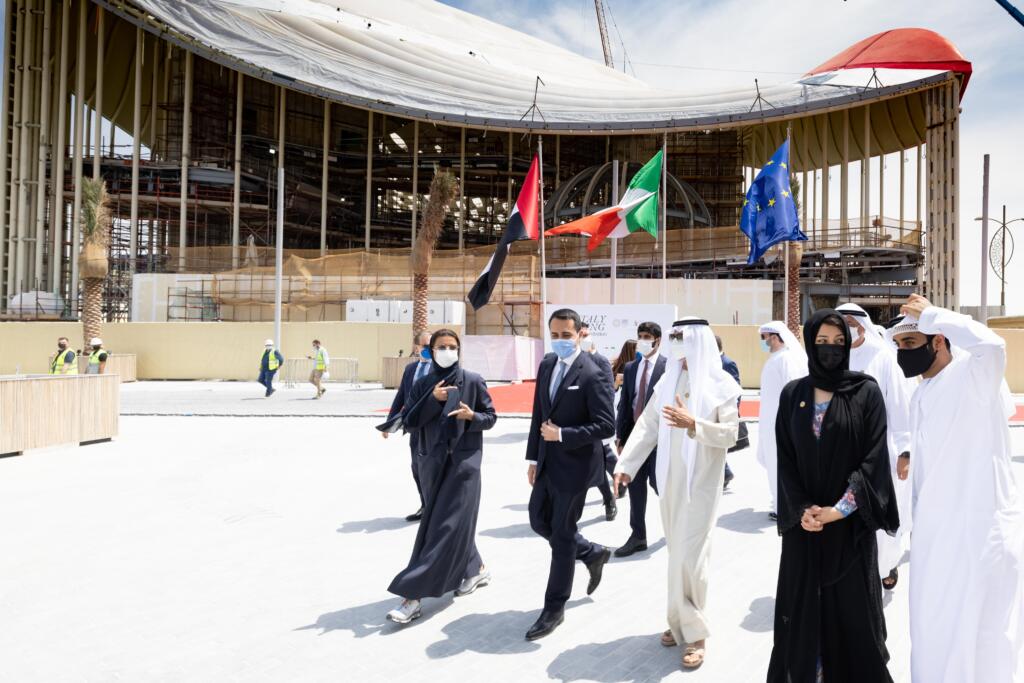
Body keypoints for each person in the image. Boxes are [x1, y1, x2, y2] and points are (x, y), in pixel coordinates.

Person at [892, 294, 1023, 682]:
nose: (902, 353)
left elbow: (992, 345)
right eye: (898, 345)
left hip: (978, 534)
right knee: (935, 631)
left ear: (938, 340)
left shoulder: (973, 377)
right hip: (937, 536)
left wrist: (933, 314)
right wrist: (912, 453)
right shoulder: (922, 392)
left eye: (910, 343)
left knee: (981, 637)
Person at [767, 309, 899, 683]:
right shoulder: (794, 394)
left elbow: (874, 460)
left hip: (849, 529)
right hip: (804, 527)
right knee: (803, 611)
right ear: (810, 343)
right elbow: (786, 459)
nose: (830, 350)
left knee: (853, 615)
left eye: (838, 342)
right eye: (822, 342)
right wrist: (805, 510)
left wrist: (838, 510)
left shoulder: (866, 391)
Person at [614, 318, 740, 670]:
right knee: (675, 554)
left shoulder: (720, 383)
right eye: (673, 338)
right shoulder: (667, 382)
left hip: (700, 483)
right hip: (669, 481)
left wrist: (694, 425)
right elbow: (648, 426)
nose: (676, 344)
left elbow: (730, 434)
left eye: (682, 338)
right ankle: (678, 620)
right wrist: (627, 464)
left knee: (692, 557)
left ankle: (696, 631)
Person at [386, 328, 497, 624]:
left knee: (440, 530)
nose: (447, 351)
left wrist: (471, 416)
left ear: (459, 350)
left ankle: (413, 596)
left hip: (464, 469)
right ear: (431, 351)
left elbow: (491, 418)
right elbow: (409, 421)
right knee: (448, 524)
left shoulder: (473, 381)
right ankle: (476, 569)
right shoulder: (422, 382)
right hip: (431, 465)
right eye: (441, 346)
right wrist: (431, 400)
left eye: (452, 346)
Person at [524, 308, 614, 641]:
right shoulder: (547, 363)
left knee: (561, 537)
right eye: (555, 335)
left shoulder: (593, 372)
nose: (561, 341)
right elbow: (539, 414)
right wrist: (534, 456)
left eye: (567, 335)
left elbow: (606, 425)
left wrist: (563, 435)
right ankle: (591, 552)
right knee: (537, 520)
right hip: (547, 462)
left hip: (576, 468)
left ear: (580, 334)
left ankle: (554, 608)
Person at [837, 303, 913, 590]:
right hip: (842, 454)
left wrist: (905, 451)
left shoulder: (883, 357)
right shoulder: (834, 356)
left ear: (861, 324)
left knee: (881, 516)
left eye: (849, 322)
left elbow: (899, 407)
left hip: (880, 451)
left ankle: (886, 563)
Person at [613, 321, 666, 558]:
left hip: (659, 438)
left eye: (648, 337)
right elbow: (626, 403)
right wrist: (621, 436)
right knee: (635, 487)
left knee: (661, 485)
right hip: (635, 436)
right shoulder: (632, 367)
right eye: (640, 336)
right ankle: (638, 536)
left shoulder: (669, 367)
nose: (643, 341)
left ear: (658, 340)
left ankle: (676, 526)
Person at [756, 321, 808, 520]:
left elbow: (793, 392)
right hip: (771, 425)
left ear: (775, 337)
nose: (763, 342)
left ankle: (787, 508)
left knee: (782, 466)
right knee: (775, 465)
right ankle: (781, 504)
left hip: (782, 425)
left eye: (764, 337)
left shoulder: (786, 359)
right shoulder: (777, 358)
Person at [384, 331, 434, 522]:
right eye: (425, 346)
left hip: (433, 427)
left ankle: (435, 508)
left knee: (433, 468)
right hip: (414, 427)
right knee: (417, 467)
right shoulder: (410, 369)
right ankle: (425, 505)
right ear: (417, 347)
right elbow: (401, 396)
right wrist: (389, 423)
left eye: (431, 345)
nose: (429, 349)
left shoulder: (440, 369)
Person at [579, 321, 620, 520]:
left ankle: (609, 498)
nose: (584, 338)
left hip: (595, 423)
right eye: (581, 334)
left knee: (599, 461)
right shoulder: (571, 361)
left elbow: (608, 394)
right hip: (576, 423)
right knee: (591, 463)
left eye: (587, 334)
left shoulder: (601, 362)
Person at [716, 334, 742, 489]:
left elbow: (736, 390)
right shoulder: (711, 362)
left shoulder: (727, 363)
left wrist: (733, 412)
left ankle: (725, 473)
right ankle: (725, 473)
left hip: (724, 412)